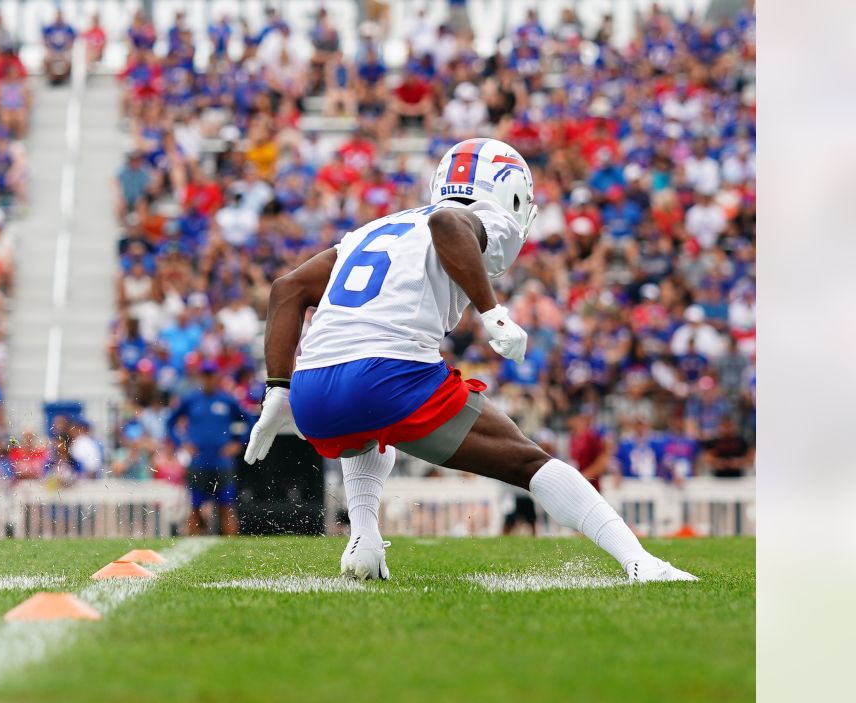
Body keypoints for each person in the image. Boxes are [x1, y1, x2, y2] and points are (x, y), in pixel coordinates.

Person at [245, 138, 697, 583]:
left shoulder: (376, 228)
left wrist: (278, 389)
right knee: (527, 462)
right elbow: (447, 224)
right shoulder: (479, 218)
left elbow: (287, 289)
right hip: (386, 376)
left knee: (365, 431)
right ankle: (640, 561)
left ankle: (363, 538)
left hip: (313, 393)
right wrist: (494, 314)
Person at [169, 362, 248, 536]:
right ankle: (190, 546)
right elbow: (170, 422)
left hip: (222, 462)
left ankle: (232, 550)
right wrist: (181, 443)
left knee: (226, 506)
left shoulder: (226, 400)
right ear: (200, 377)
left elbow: (249, 419)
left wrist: (239, 443)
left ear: (216, 377)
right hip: (199, 462)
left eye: (211, 374)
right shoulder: (191, 399)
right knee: (195, 506)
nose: (208, 379)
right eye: (205, 375)